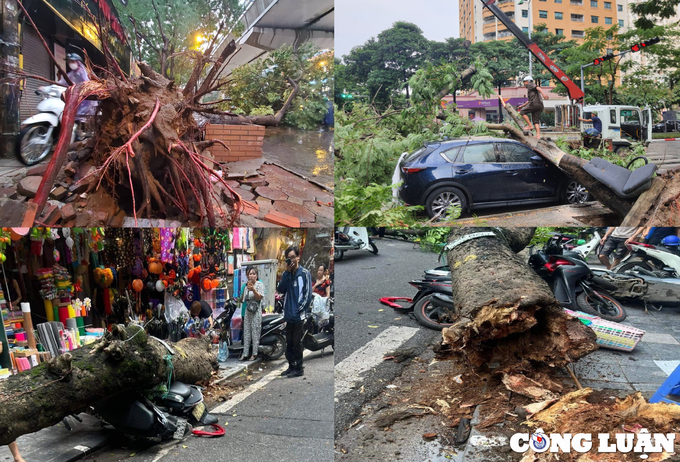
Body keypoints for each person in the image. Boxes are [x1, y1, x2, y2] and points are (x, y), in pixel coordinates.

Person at [277, 245, 313, 378]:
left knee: (297, 343)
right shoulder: (287, 274)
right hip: (288, 315)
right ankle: (291, 366)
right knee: (289, 343)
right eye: (288, 258)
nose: (291, 260)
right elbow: (281, 289)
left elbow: (307, 295)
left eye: (293, 257)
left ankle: (299, 368)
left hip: (298, 315)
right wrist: (286, 272)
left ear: (298, 257)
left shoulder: (304, 273)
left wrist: (299, 310)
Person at [239, 267, 265, 361]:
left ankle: (254, 353)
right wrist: (245, 289)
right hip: (248, 311)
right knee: (246, 333)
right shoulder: (246, 286)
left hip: (256, 312)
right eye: (250, 274)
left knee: (255, 333)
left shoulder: (260, 285)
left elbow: (259, 298)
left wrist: (253, 289)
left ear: (256, 276)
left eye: (254, 274)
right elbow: (242, 300)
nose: (252, 276)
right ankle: (245, 353)